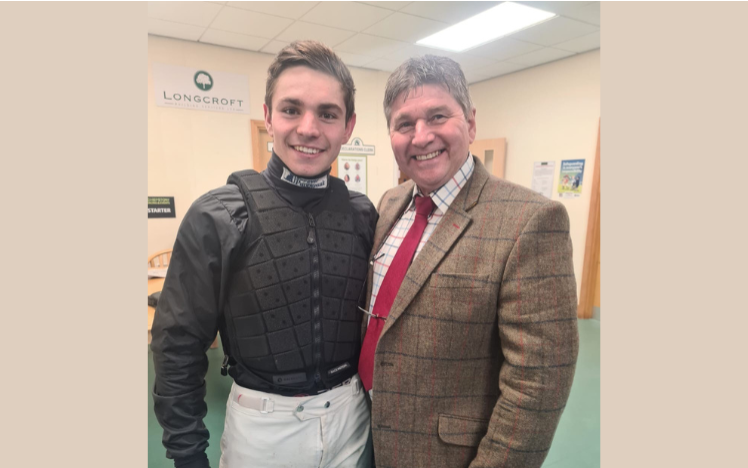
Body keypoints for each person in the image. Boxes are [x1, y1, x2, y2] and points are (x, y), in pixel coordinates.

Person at [151, 40, 377, 468]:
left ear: (348, 126)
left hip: (352, 421)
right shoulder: (219, 215)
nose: (309, 128)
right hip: (263, 431)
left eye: (327, 113)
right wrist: (186, 454)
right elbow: (178, 347)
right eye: (292, 109)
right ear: (268, 116)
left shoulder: (363, 215)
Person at [357, 55, 579, 468]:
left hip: (446, 454)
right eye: (405, 123)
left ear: (471, 123)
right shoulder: (390, 205)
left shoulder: (529, 220)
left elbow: (539, 383)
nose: (421, 137)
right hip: (364, 432)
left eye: (437, 116)